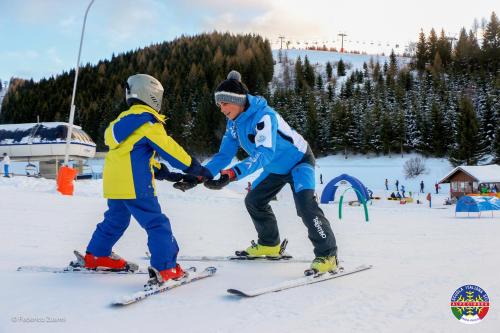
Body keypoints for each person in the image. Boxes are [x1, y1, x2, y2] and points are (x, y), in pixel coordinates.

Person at [193, 70, 337, 274]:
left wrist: (232, 174)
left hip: (298, 162)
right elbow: (224, 155)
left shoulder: (264, 116)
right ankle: (269, 244)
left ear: (238, 100)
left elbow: (264, 154)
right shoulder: (233, 123)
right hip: (274, 168)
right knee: (254, 200)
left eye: (225, 103)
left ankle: (328, 255)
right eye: (219, 105)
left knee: (306, 207)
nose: (221, 109)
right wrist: (201, 175)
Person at [79, 74, 212, 287]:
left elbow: (136, 157)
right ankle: (166, 268)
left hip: (115, 185)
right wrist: (196, 168)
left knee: (115, 220)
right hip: (136, 185)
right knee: (157, 223)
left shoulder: (123, 122)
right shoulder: (148, 122)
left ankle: (97, 255)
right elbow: (171, 151)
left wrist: (169, 175)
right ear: (152, 95)